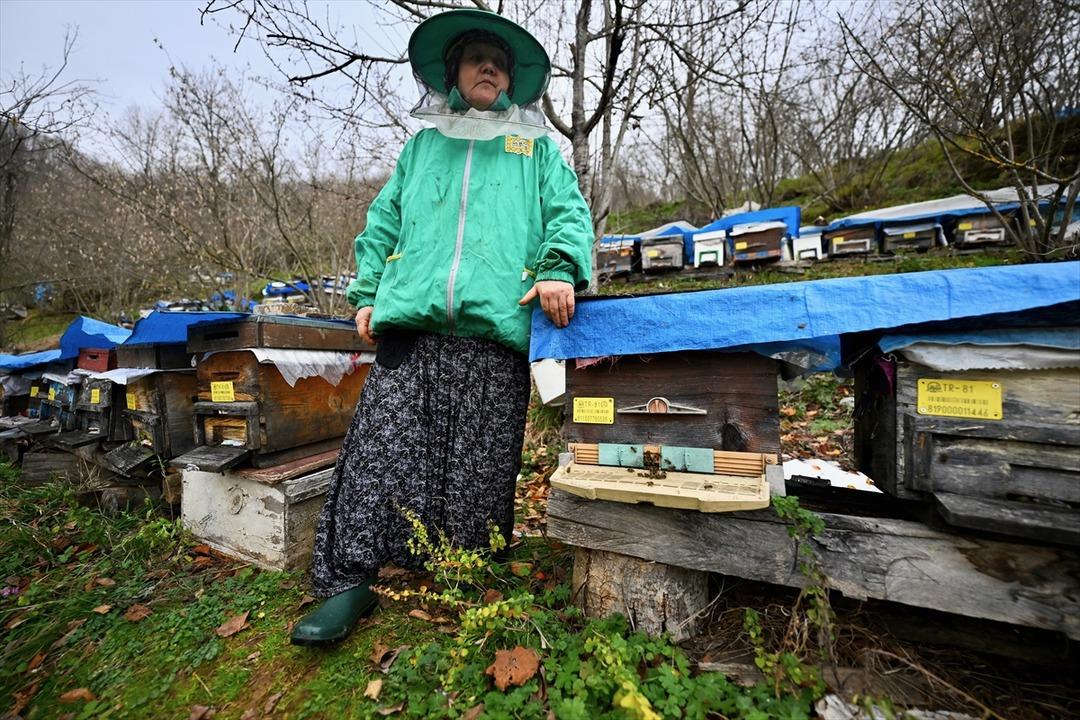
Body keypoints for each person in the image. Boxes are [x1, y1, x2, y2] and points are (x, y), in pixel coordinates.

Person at [291, 8, 593, 645]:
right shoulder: (423, 146)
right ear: (454, 72)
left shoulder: (535, 148)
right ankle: (348, 582)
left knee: (478, 474)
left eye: (500, 61)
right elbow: (382, 226)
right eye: (477, 56)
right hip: (413, 330)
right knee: (380, 456)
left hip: (494, 333)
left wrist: (560, 267)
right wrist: (368, 292)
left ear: (512, 80)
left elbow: (567, 215)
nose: (490, 66)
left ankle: (466, 578)